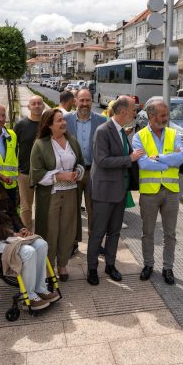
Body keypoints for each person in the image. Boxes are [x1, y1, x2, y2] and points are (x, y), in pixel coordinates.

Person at [0, 151, 59, 309]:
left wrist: (22, 228)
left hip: (9, 235)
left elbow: (12, 212)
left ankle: (40, 288)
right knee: (27, 252)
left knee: (41, 244)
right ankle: (29, 296)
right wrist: (10, 233)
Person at [86, 96, 144, 286]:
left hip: (119, 190)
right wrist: (130, 159)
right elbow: (102, 160)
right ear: (123, 111)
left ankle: (110, 265)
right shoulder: (103, 131)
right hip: (104, 191)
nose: (135, 113)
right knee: (98, 232)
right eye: (133, 110)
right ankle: (92, 269)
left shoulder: (121, 131)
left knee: (115, 232)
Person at [132, 100, 183, 285]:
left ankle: (168, 268)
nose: (166, 118)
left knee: (170, 234)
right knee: (147, 232)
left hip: (171, 192)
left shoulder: (174, 134)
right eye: (163, 115)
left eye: (167, 115)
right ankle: (148, 265)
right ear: (151, 116)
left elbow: (181, 158)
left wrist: (159, 157)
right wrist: (168, 162)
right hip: (149, 193)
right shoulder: (139, 137)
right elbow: (144, 163)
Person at [30, 109, 84, 281]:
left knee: (67, 230)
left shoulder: (72, 141)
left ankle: (62, 264)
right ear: (49, 125)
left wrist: (77, 173)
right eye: (59, 121)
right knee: (50, 231)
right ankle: (48, 267)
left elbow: (80, 163)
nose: (63, 123)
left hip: (70, 192)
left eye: (63, 120)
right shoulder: (40, 144)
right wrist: (60, 176)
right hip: (51, 194)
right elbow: (36, 174)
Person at [65, 89, 107, 256]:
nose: (84, 104)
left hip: (93, 172)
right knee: (72, 210)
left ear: (92, 101)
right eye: (81, 100)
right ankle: (73, 243)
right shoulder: (66, 120)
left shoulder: (101, 120)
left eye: (88, 100)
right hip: (72, 173)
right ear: (75, 101)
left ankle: (95, 243)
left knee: (94, 211)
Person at [13, 95, 46, 229]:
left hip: (45, 173)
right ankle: (27, 233)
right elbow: (13, 148)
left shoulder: (48, 125)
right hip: (25, 172)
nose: (37, 106)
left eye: (39, 103)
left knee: (43, 206)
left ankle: (42, 233)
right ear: (28, 107)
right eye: (34, 103)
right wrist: (15, 169)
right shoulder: (21, 125)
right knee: (26, 207)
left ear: (43, 106)